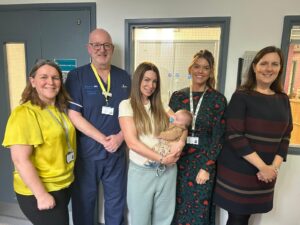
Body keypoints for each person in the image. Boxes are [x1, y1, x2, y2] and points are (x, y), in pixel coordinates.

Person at [214, 46, 293, 225]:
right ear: (254, 67)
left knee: (246, 217)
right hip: (239, 170)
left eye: (274, 64)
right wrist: (263, 167)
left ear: (280, 68)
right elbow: (235, 135)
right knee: (238, 218)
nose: (269, 68)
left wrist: (273, 167)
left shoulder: (283, 99)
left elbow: (286, 134)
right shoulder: (241, 96)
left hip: (267, 171)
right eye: (264, 63)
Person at [65, 28, 131, 225]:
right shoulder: (77, 76)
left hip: (116, 152)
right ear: (89, 48)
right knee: (84, 202)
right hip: (88, 153)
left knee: (116, 201)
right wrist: (103, 139)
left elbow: (134, 114)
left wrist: (120, 138)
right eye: (97, 45)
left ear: (111, 48)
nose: (102, 49)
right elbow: (73, 115)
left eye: (106, 45)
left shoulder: (124, 77)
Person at [2, 59, 76, 225]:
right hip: (40, 189)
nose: (50, 82)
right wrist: (41, 195)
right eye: (44, 77)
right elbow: (20, 160)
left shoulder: (59, 109)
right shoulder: (24, 113)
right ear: (32, 81)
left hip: (62, 184)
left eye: (55, 78)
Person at [119, 62, 185, 225]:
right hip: (143, 172)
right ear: (138, 80)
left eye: (154, 81)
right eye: (147, 80)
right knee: (140, 220)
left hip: (168, 172)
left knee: (164, 219)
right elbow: (132, 143)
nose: (151, 85)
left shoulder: (161, 105)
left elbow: (182, 124)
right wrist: (161, 159)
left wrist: (181, 142)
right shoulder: (127, 106)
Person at [169, 50, 227, 225]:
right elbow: (170, 128)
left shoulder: (217, 99)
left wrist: (207, 167)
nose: (200, 71)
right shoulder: (178, 96)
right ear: (190, 69)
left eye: (205, 68)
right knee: (175, 207)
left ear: (210, 72)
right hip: (179, 159)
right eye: (197, 66)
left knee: (199, 211)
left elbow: (219, 137)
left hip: (202, 162)